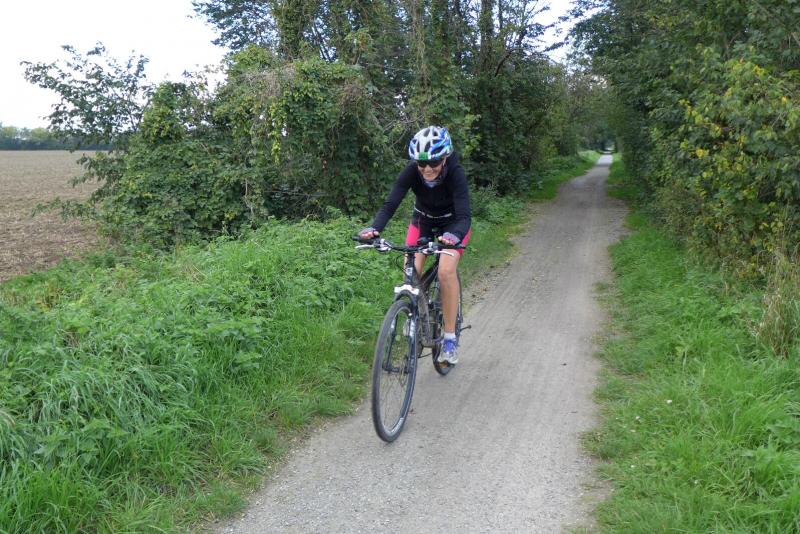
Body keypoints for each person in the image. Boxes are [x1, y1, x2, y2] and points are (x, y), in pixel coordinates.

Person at [359, 126, 472, 364]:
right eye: (422, 164)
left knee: (445, 271)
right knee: (411, 272)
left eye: (434, 162)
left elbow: (464, 216)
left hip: (454, 225)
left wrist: (454, 236)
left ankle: (449, 339)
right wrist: (375, 228)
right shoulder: (412, 171)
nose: (427, 169)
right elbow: (391, 203)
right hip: (423, 221)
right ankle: (415, 314)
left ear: (445, 158)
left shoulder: (456, 173)